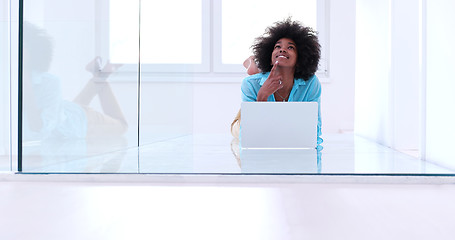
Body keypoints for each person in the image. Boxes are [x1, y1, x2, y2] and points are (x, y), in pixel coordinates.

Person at [231, 18, 323, 145]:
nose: (282, 50)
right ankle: (252, 63)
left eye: (290, 47)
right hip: (243, 121)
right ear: (270, 58)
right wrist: (262, 96)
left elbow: (315, 130)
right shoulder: (250, 84)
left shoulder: (311, 83)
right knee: (236, 129)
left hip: (278, 136)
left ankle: (253, 64)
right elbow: (247, 136)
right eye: (277, 46)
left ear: (299, 58)